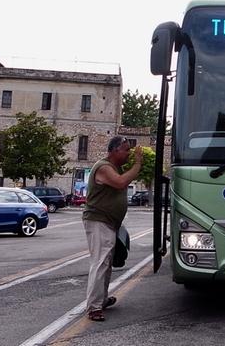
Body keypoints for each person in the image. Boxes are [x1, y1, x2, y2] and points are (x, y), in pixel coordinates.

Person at [82, 136, 142, 321]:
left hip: (109, 222)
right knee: (100, 263)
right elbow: (121, 182)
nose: (128, 153)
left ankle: (101, 299)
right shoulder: (104, 167)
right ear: (115, 150)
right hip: (99, 220)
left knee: (105, 263)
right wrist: (138, 163)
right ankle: (94, 307)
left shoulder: (115, 167)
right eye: (125, 150)